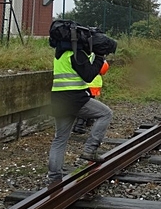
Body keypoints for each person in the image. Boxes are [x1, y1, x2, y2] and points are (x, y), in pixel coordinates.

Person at [48, 44, 113, 183]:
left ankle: (54, 178)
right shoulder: (76, 53)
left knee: (60, 139)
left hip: (59, 99)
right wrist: (99, 57)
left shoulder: (59, 52)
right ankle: (90, 149)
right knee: (105, 113)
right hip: (75, 98)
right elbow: (89, 75)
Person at [73, 59, 110, 134]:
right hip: (93, 84)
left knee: (88, 103)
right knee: (87, 104)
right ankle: (79, 125)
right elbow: (104, 69)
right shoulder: (96, 56)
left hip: (85, 84)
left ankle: (88, 121)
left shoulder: (84, 57)